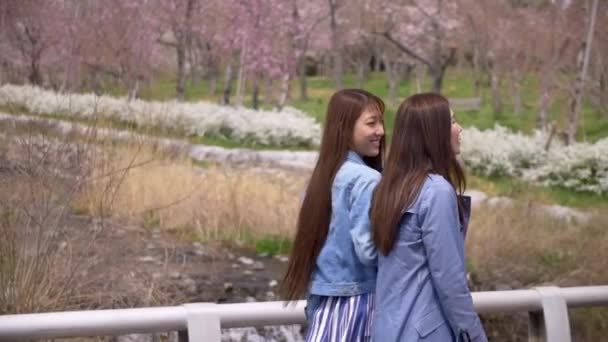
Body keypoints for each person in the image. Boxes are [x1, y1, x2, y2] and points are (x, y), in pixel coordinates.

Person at [371, 93, 487, 341]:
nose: (460, 129)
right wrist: (475, 337)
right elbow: (450, 279)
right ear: (433, 132)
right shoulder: (436, 191)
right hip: (425, 332)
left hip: (387, 330)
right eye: (453, 122)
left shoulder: (389, 188)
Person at [280, 89, 385, 341]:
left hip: (324, 304)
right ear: (344, 127)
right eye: (371, 123)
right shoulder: (367, 178)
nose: (380, 131)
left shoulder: (322, 178)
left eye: (381, 122)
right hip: (358, 303)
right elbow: (368, 250)